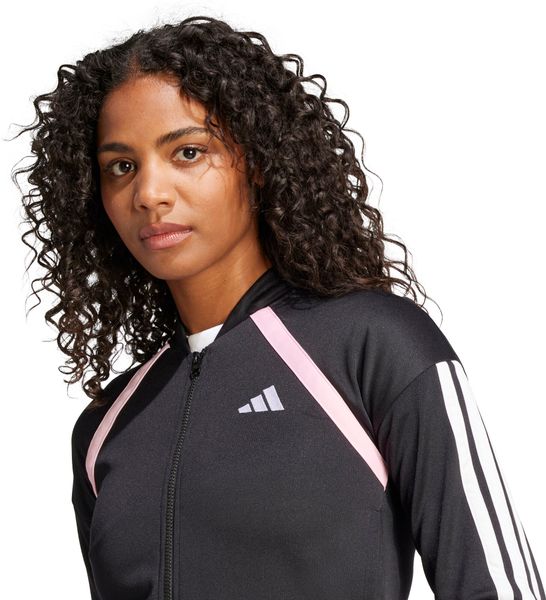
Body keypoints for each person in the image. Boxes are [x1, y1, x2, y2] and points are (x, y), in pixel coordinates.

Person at [15, 14, 544, 600]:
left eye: (187, 152)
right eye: (122, 166)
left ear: (259, 161)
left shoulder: (371, 348)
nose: (149, 193)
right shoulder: (107, 428)